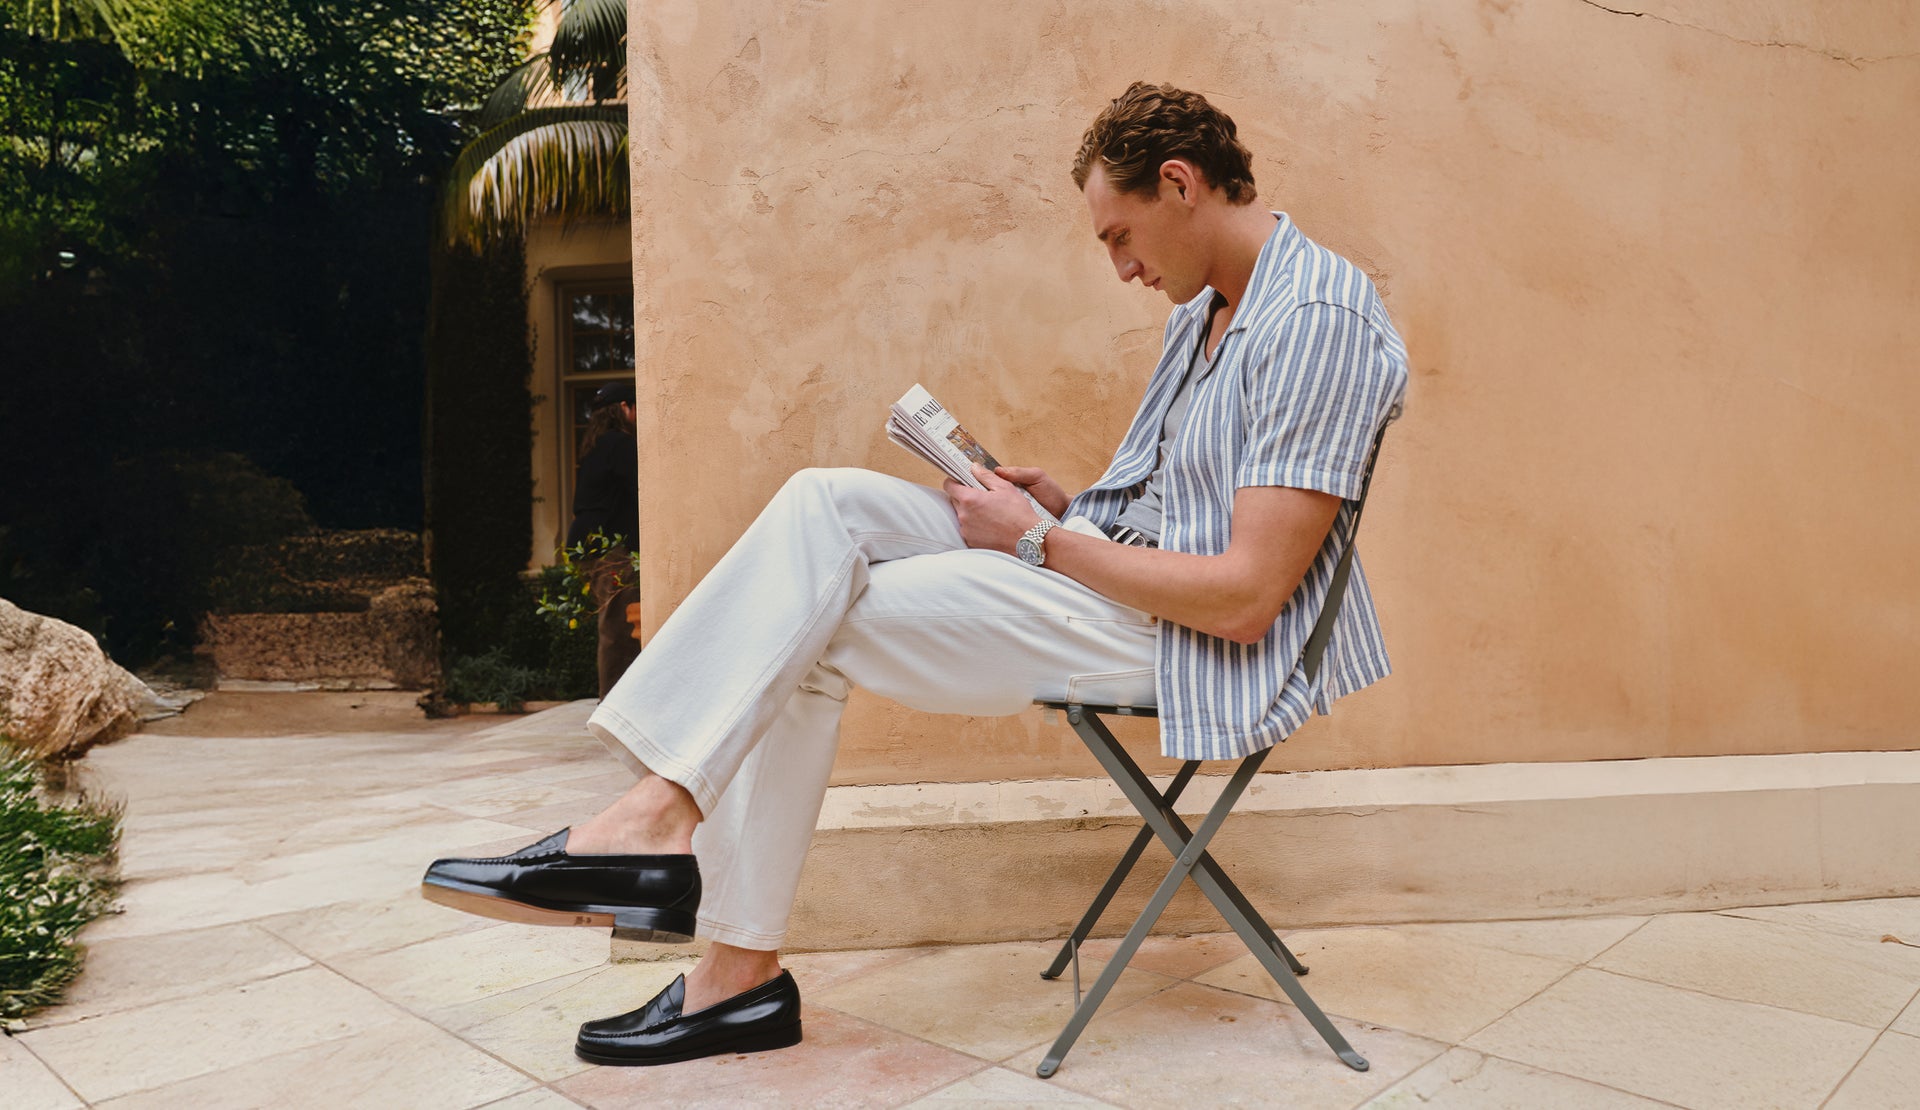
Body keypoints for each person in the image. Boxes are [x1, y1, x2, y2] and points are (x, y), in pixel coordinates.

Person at [423, 81, 1409, 1067]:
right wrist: (1065, 510)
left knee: (806, 622)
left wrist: (1035, 540)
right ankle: (660, 829)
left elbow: (1246, 598)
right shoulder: (1209, 312)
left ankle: (715, 942)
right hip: (1119, 584)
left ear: (1181, 185)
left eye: (1120, 235)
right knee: (821, 506)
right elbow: (1187, 509)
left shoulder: (1313, 320)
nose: (1121, 267)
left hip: (1199, 647)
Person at [566, 380, 641, 697]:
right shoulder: (620, 445)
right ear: (624, 407)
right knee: (618, 629)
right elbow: (638, 494)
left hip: (587, 546)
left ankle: (616, 700)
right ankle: (613, 703)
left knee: (615, 625)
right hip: (610, 549)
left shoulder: (594, 447)